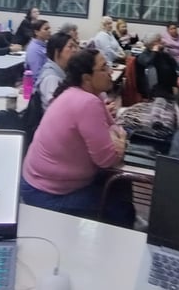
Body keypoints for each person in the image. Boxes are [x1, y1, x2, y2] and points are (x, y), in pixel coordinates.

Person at [20, 49, 134, 228]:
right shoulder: (87, 102)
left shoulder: (87, 94)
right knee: (118, 205)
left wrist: (117, 138)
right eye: (104, 68)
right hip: (46, 193)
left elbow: (114, 126)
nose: (110, 72)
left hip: (45, 182)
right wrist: (121, 144)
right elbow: (107, 159)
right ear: (87, 78)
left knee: (120, 183)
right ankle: (120, 239)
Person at [35, 32, 78, 110]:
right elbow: (59, 109)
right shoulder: (51, 78)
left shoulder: (65, 71)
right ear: (57, 51)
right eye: (70, 47)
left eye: (75, 47)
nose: (75, 50)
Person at [134, 32, 178, 98]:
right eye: (159, 40)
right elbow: (148, 63)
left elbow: (174, 65)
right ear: (153, 44)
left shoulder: (162, 54)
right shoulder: (143, 56)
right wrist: (154, 52)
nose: (162, 41)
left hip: (168, 88)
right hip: (154, 91)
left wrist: (174, 85)